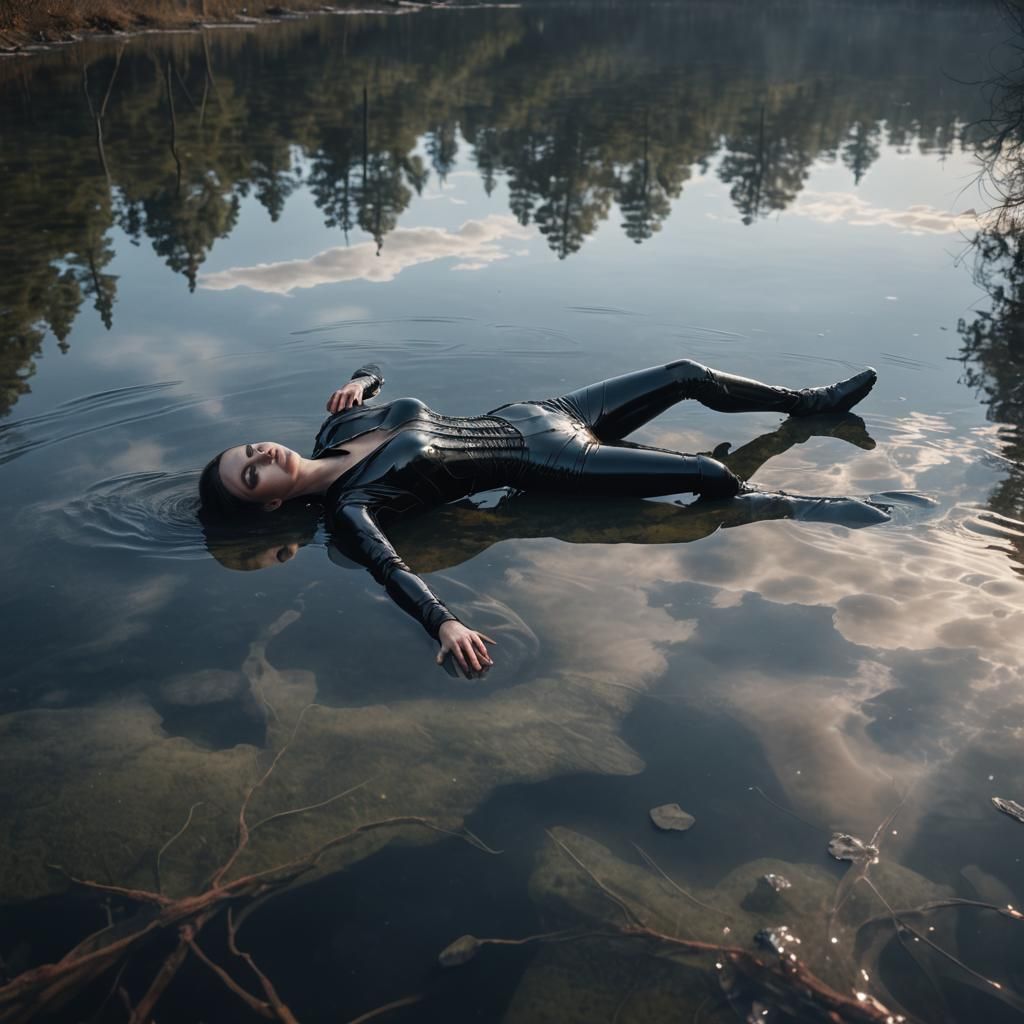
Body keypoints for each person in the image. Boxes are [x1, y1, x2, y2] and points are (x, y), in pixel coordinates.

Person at [198, 359, 877, 674]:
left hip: (541, 410)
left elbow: (376, 365)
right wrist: (445, 623)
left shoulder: (335, 428)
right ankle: (785, 506)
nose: (259, 453)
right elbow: (390, 570)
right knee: (711, 476)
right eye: (250, 472)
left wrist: (361, 379)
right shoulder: (352, 508)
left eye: (248, 449)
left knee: (684, 373)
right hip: (557, 462)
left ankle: (807, 404)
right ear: (273, 502)